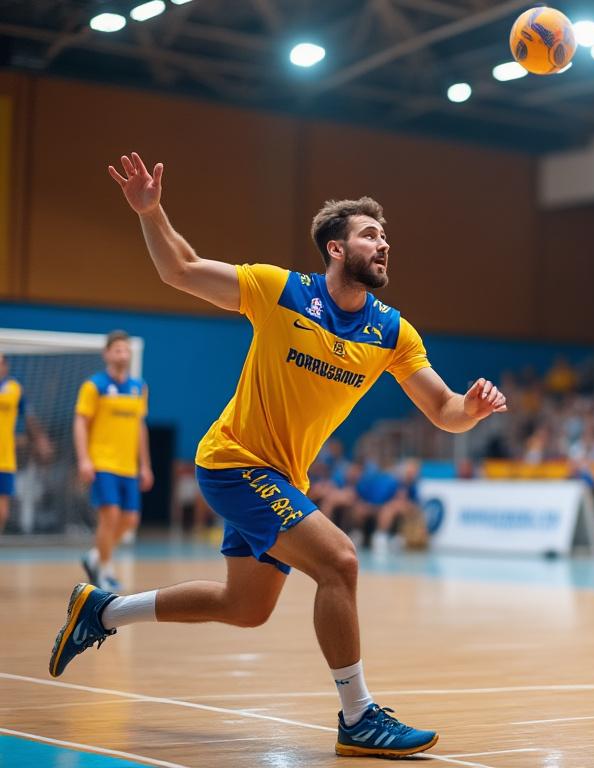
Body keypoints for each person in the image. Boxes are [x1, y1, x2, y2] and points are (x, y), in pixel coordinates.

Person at [49, 153, 507, 759]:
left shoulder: (393, 332)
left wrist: (469, 409)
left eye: (386, 236)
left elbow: (443, 409)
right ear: (336, 249)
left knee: (245, 608)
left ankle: (104, 612)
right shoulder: (280, 290)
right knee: (340, 561)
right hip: (234, 461)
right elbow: (179, 269)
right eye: (370, 234)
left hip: (281, 477)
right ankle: (358, 715)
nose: (384, 244)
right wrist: (151, 212)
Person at [74, 331, 153, 589]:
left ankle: (95, 556)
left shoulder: (138, 387)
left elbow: (140, 427)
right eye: (117, 349)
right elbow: (80, 422)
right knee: (110, 516)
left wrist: (145, 465)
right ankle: (105, 570)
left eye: (125, 350)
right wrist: (85, 459)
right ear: (106, 354)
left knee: (130, 520)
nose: (122, 354)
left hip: (128, 466)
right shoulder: (93, 385)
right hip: (103, 461)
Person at [0, 352, 53, 535]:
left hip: (5, 458)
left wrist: (40, 439)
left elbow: (29, 417)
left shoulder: (15, 389)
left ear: (5, 366)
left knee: (2, 511)